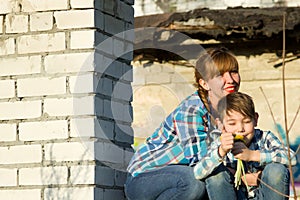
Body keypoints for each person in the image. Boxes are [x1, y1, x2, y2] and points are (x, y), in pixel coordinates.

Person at [124, 47, 241, 200]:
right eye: (220, 75)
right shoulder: (192, 110)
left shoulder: (228, 114)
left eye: (233, 72)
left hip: (177, 178)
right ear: (204, 84)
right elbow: (198, 160)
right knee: (192, 183)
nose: (231, 80)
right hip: (143, 180)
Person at [196, 92, 297, 200]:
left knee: (276, 169)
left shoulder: (264, 138)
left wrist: (253, 155)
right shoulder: (220, 144)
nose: (240, 129)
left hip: (263, 195)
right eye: (232, 124)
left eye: (247, 121)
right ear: (220, 124)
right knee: (216, 173)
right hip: (235, 195)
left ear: (255, 119)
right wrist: (220, 152)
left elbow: (291, 158)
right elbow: (198, 173)